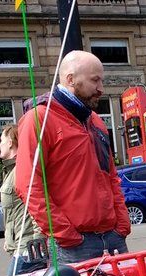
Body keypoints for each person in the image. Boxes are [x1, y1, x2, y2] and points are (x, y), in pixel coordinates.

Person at [16, 50, 131, 263]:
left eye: (101, 80)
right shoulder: (38, 119)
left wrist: (122, 225)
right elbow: (28, 185)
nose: (101, 88)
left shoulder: (95, 121)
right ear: (71, 79)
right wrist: (65, 234)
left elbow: (110, 175)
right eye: (94, 80)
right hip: (73, 245)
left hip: (112, 237)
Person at [0, 124, 46, 276]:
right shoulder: (11, 171)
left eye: (1, 141)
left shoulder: (21, 169)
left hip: (27, 248)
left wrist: (37, 244)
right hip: (20, 247)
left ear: (11, 143)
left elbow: (36, 207)